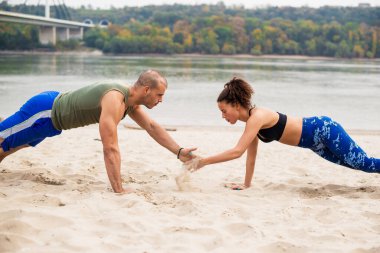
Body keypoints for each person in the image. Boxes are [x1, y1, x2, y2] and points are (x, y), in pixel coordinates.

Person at [0, 70, 196, 193]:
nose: (161, 100)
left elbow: (151, 127)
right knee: (3, 136)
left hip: (52, 123)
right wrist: (119, 189)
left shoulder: (130, 103)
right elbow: (110, 147)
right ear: (146, 90)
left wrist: (178, 152)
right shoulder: (114, 99)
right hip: (45, 111)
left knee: (16, 143)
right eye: (159, 95)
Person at [192, 77, 379, 190]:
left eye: (224, 110)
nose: (222, 116)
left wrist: (203, 162)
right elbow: (250, 156)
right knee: (359, 166)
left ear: (236, 104)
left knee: (364, 163)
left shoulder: (257, 117)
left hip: (324, 130)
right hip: (315, 144)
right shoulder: (252, 123)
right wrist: (246, 184)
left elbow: (236, 152)